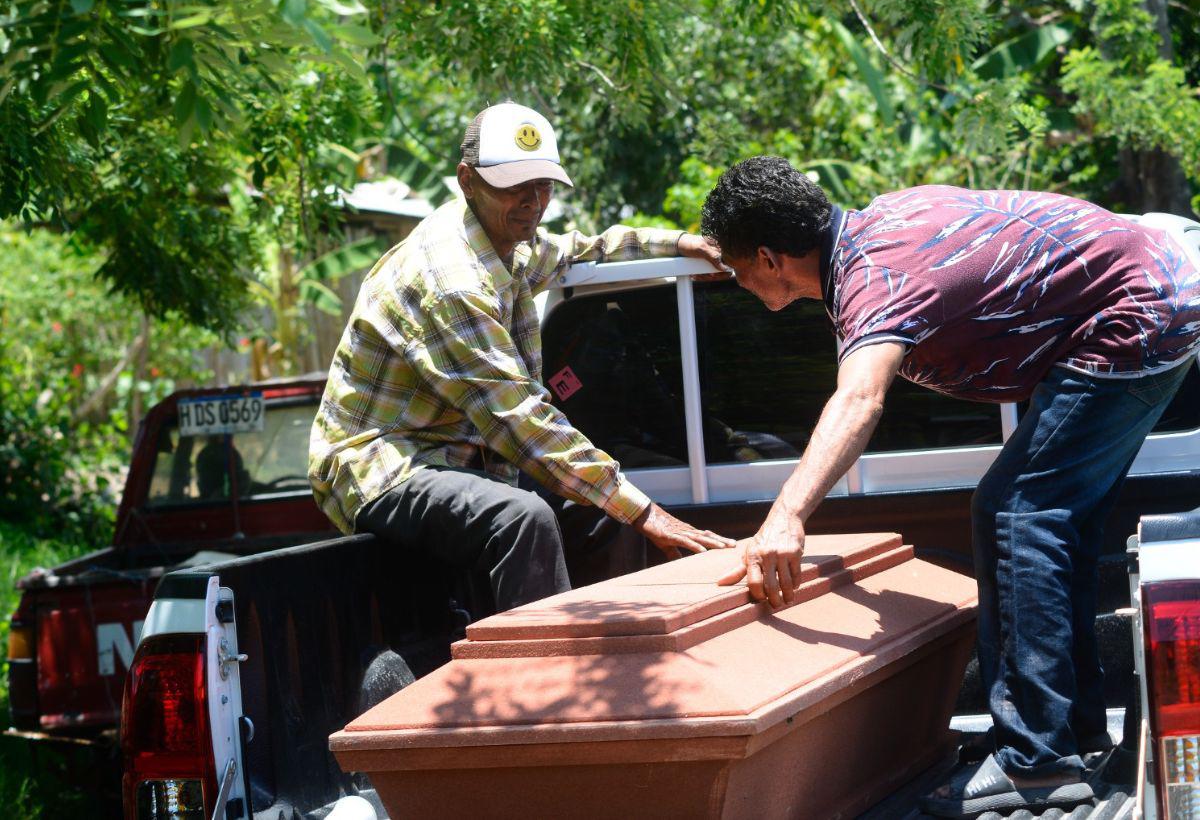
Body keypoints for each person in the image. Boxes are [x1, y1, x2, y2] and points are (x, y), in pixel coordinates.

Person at [699, 156, 1200, 818]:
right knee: (1050, 519)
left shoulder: (871, 279)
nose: (736, 282)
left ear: (767, 257)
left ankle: (1035, 758)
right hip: (1157, 290)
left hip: (1138, 314)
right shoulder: (879, 223)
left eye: (735, 269)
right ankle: (1069, 734)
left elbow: (859, 400)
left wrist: (785, 518)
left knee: (1016, 512)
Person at [308, 102, 733, 616]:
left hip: (464, 458)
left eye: (543, 186)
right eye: (514, 187)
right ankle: (541, 682)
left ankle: (619, 664)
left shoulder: (508, 243)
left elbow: (583, 250)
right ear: (468, 180)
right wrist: (647, 511)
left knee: (605, 512)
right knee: (523, 517)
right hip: (384, 465)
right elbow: (518, 418)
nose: (533, 202)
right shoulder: (451, 281)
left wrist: (682, 242)